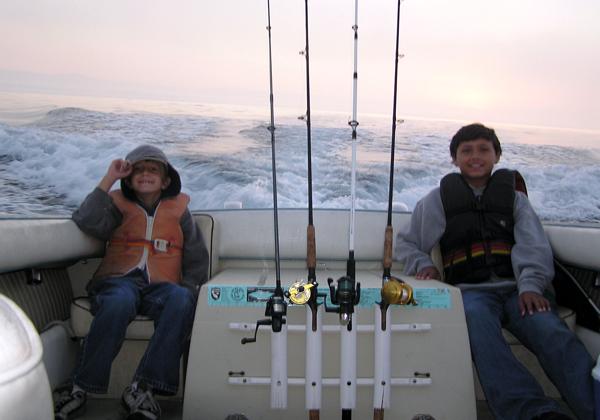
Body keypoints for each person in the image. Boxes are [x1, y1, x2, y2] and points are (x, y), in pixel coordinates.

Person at [395, 123, 594, 420]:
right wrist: (424, 265)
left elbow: (533, 244)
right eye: (466, 151)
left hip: (519, 290)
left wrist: (531, 286)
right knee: (480, 329)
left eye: (484, 149)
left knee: (550, 330)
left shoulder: (515, 200)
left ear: (497, 155)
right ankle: (533, 413)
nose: (475, 156)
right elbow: (406, 243)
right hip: (471, 294)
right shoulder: (438, 200)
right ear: (454, 159)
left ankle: (594, 405)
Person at [54, 145, 209, 420]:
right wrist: (109, 177)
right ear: (128, 179)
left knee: (182, 300)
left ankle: (143, 388)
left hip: (160, 286)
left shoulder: (181, 210)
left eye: (153, 170)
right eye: (138, 170)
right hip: (119, 282)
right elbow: (87, 221)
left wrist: (188, 287)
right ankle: (79, 386)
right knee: (120, 302)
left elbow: (197, 257)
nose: (145, 174)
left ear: (166, 181)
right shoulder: (117, 204)